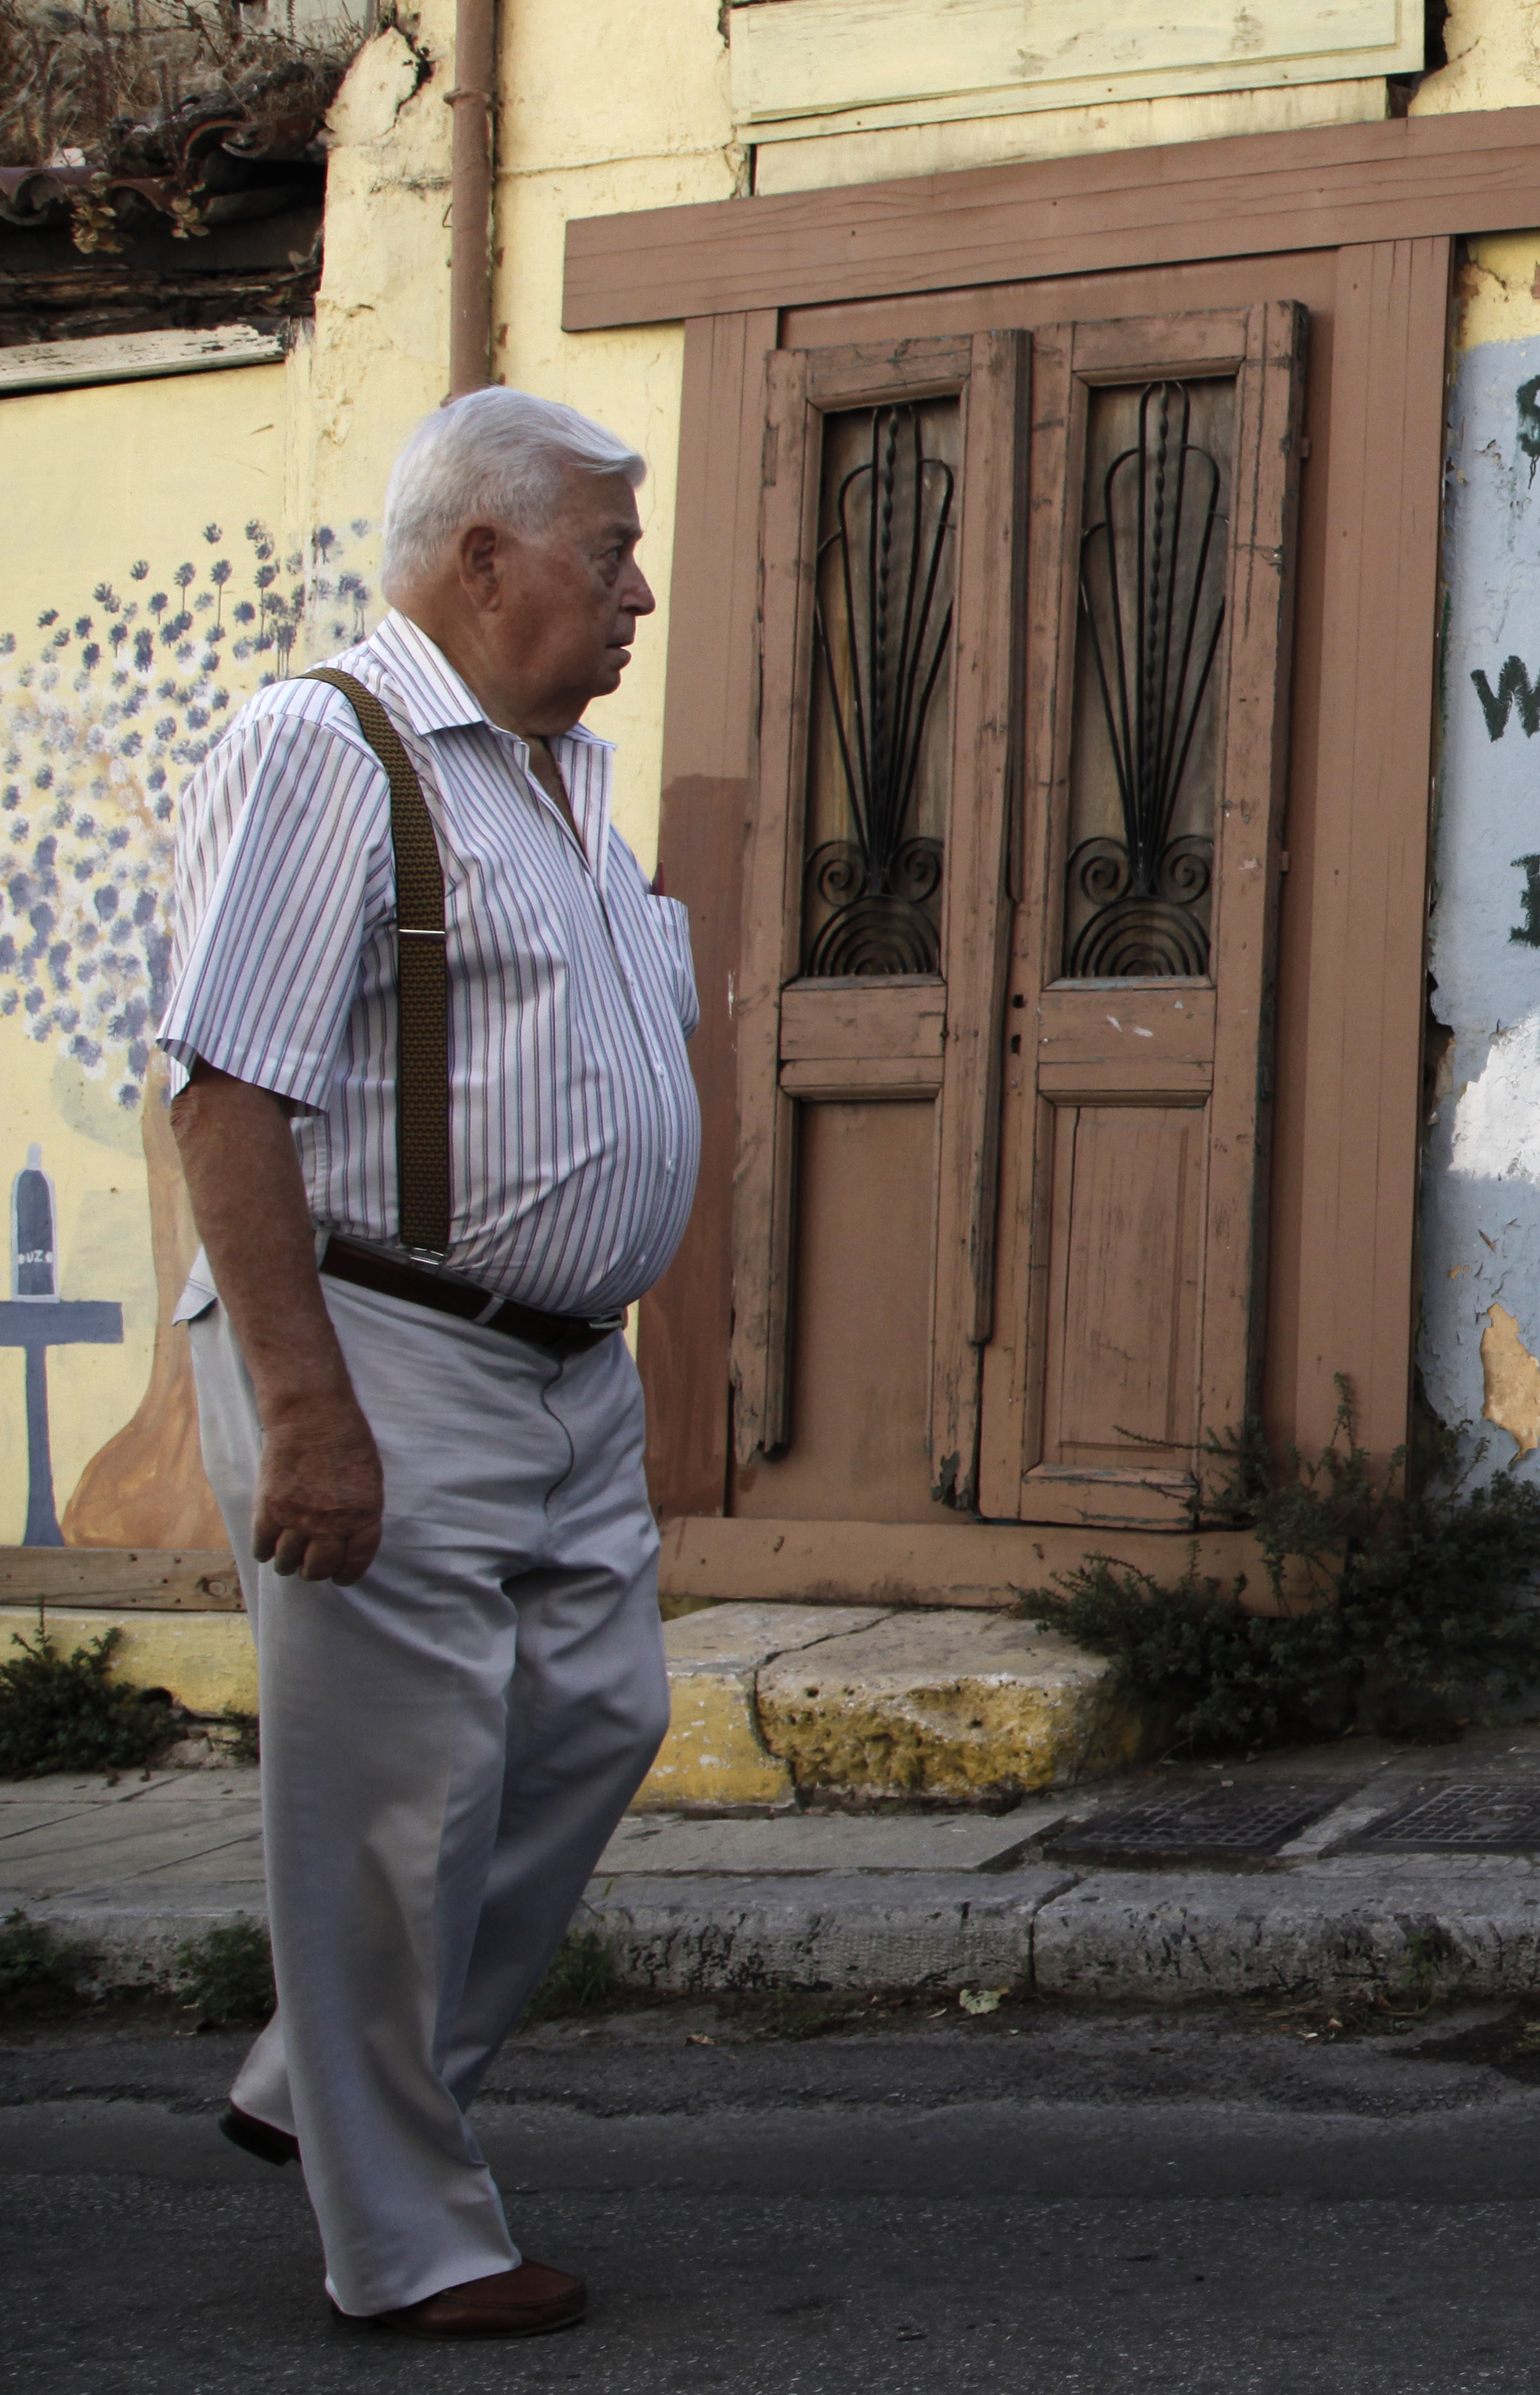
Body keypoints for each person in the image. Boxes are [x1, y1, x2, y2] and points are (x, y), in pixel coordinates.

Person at [159, 387, 699, 2340]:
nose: (639, 592)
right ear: (483, 560)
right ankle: (407, 2242)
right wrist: (306, 1406)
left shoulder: (554, 778)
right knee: (401, 1802)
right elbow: (225, 1094)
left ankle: (323, 2074)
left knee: (596, 1714)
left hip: (565, 1368)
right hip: (386, 1344)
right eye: (607, 552)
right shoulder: (327, 749)